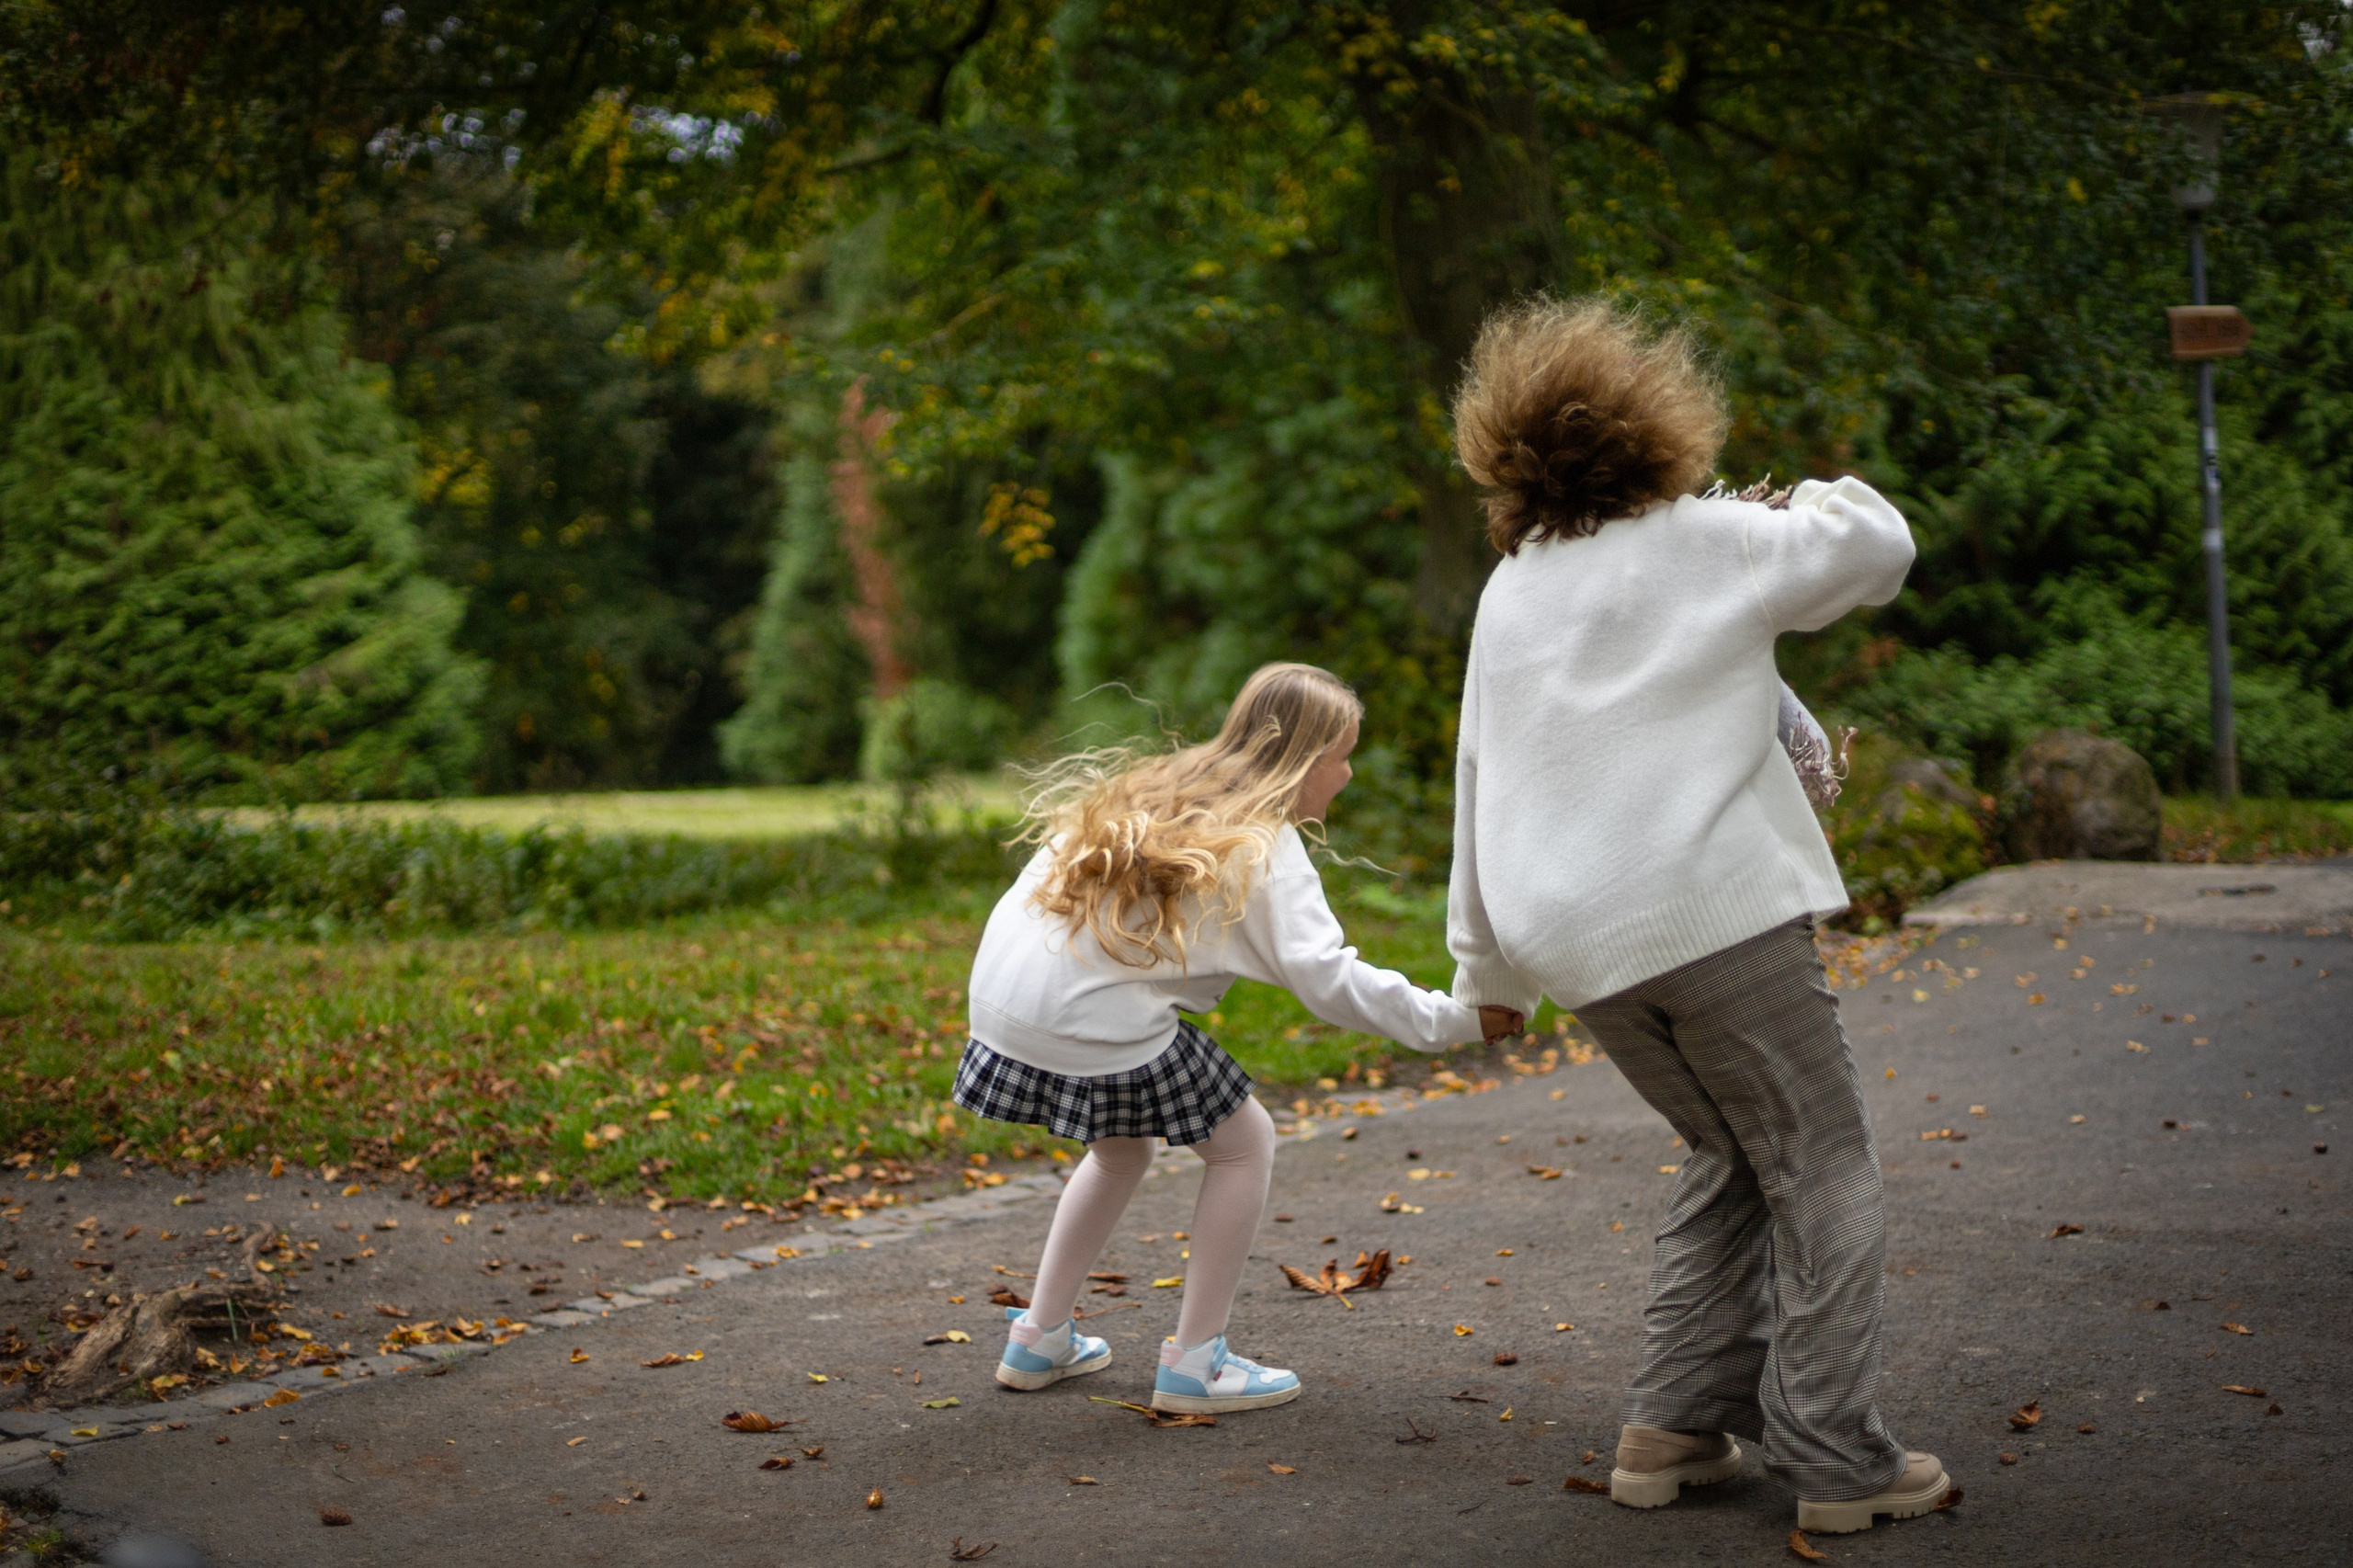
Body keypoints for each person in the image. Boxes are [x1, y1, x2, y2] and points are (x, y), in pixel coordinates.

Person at [1444, 298, 1946, 1535]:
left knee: (1733, 1150)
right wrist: (1790, 505)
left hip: (1574, 938)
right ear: (1656, 426)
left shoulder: (1512, 588)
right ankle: (1840, 1453)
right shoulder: (1709, 538)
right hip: (1706, 911)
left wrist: (1483, 967)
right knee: (1823, 1161)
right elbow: (1878, 545)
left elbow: (1476, 773)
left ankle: (1675, 1422)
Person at [960, 663, 1522, 1414]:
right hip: (1092, 1019)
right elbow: (1331, 982)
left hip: (1003, 1003)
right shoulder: (1263, 846)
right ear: (1304, 759)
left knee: (1123, 1147)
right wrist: (1455, 1019)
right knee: (1243, 1142)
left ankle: (1039, 1339)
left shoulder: (1158, 785)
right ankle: (1195, 1365)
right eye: (1342, 756)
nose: (1348, 775)